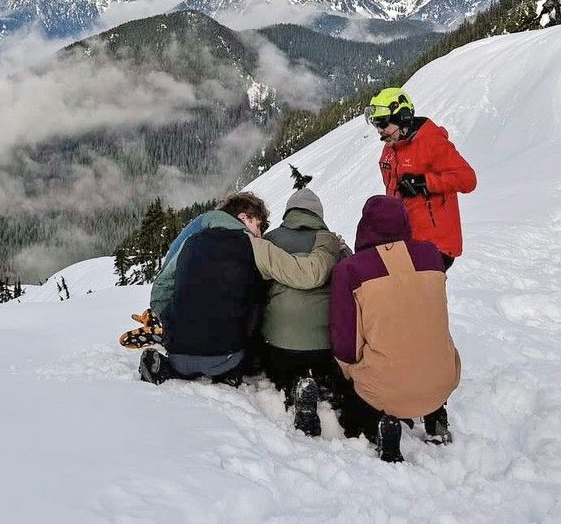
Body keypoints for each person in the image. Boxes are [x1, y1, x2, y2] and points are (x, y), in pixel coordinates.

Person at [139, 191, 341, 387]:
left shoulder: (191, 241)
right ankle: (232, 372)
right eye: (259, 226)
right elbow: (306, 275)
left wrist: (169, 324)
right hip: (227, 358)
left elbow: (161, 288)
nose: (260, 233)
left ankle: (166, 367)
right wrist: (330, 247)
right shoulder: (254, 245)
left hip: (178, 354)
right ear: (244, 217)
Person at [330, 195, 461, 462]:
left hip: (385, 390)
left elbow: (346, 343)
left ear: (365, 225)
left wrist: (350, 371)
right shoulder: (431, 255)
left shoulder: (350, 269)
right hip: (444, 380)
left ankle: (378, 426)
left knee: (349, 405)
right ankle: (435, 414)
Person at [261, 186, 351, 437]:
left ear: (289, 212)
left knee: (278, 365)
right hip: (324, 345)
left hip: (280, 343)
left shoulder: (269, 241)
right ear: (318, 215)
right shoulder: (333, 245)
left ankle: (293, 388)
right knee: (326, 369)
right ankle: (327, 390)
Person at [365, 87, 477, 270]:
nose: (379, 130)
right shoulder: (391, 147)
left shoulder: (432, 142)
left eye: (383, 124)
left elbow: (468, 179)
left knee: (418, 289)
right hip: (404, 240)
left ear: (401, 118)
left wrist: (424, 183)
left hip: (434, 244)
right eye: (376, 124)